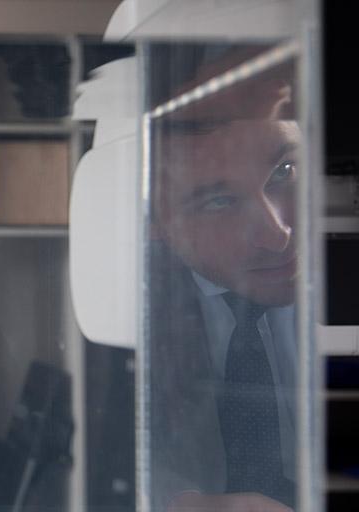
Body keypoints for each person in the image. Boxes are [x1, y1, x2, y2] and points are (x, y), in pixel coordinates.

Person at [146, 45, 298, 512]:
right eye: (217, 202)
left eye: (284, 172)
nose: (279, 234)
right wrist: (179, 503)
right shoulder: (125, 310)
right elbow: (107, 457)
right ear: (156, 223)